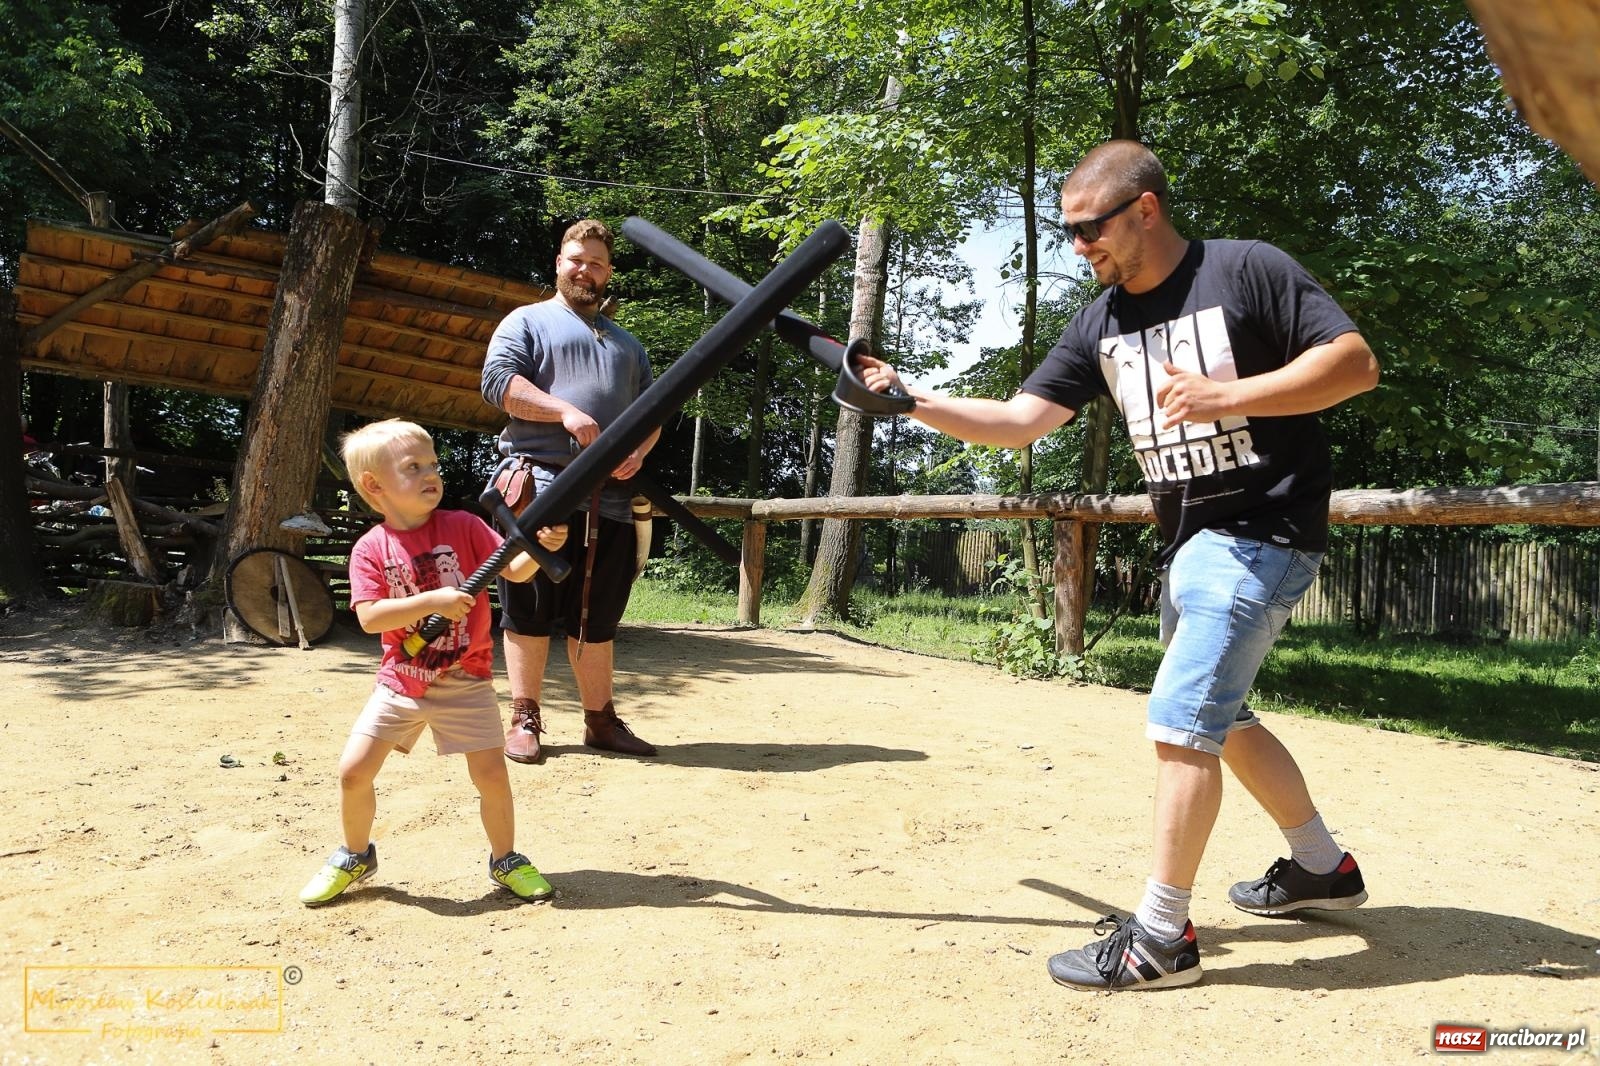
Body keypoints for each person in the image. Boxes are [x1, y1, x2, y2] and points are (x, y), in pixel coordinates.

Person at [857, 140, 1380, 991]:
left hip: (1262, 531)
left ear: (1144, 209)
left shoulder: (1247, 271)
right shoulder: (1100, 322)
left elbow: (1354, 365)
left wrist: (1229, 394)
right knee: (1225, 716)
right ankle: (1324, 866)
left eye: (1087, 229)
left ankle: (1162, 939)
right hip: (1191, 543)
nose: (1077, 248)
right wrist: (911, 401)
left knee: (1182, 725)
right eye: (1067, 233)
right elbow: (1019, 420)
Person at [299, 418, 568, 907]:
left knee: (490, 775)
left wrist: (540, 547)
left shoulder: (463, 527)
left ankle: (505, 859)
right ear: (374, 487)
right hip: (401, 681)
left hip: (466, 680)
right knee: (353, 771)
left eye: (433, 464)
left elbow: (514, 569)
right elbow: (371, 618)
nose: (431, 474)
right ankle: (355, 853)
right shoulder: (371, 549)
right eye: (413, 467)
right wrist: (433, 601)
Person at [481, 219, 660, 764]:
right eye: (576, 259)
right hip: (539, 485)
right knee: (528, 606)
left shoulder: (629, 345)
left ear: (609, 274)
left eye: (597, 263)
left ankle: (600, 722)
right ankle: (524, 718)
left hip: (609, 499)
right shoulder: (528, 321)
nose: (586, 269)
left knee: (598, 616)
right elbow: (498, 385)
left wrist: (640, 451)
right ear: (558, 263)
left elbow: (652, 412)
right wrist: (563, 410)